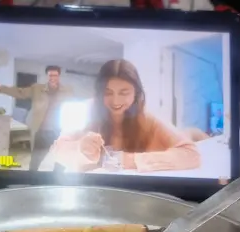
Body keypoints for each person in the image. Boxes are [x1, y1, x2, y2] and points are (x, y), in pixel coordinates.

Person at [50, 59, 200, 173]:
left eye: (124, 93)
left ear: (136, 93)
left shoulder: (148, 118)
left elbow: (191, 155)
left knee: (194, 133)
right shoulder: (85, 110)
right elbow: (58, 151)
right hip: (92, 191)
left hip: (137, 194)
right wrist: (80, 149)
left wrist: (128, 160)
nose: (115, 101)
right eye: (108, 93)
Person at [0, 65, 74, 171]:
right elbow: (19, 92)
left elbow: (73, 108)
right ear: (47, 76)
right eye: (50, 75)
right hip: (42, 131)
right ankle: (31, 177)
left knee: (61, 159)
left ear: (59, 76)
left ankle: (57, 178)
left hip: (60, 132)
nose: (53, 78)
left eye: (55, 75)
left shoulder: (68, 91)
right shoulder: (37, 89)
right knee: (35, 160)